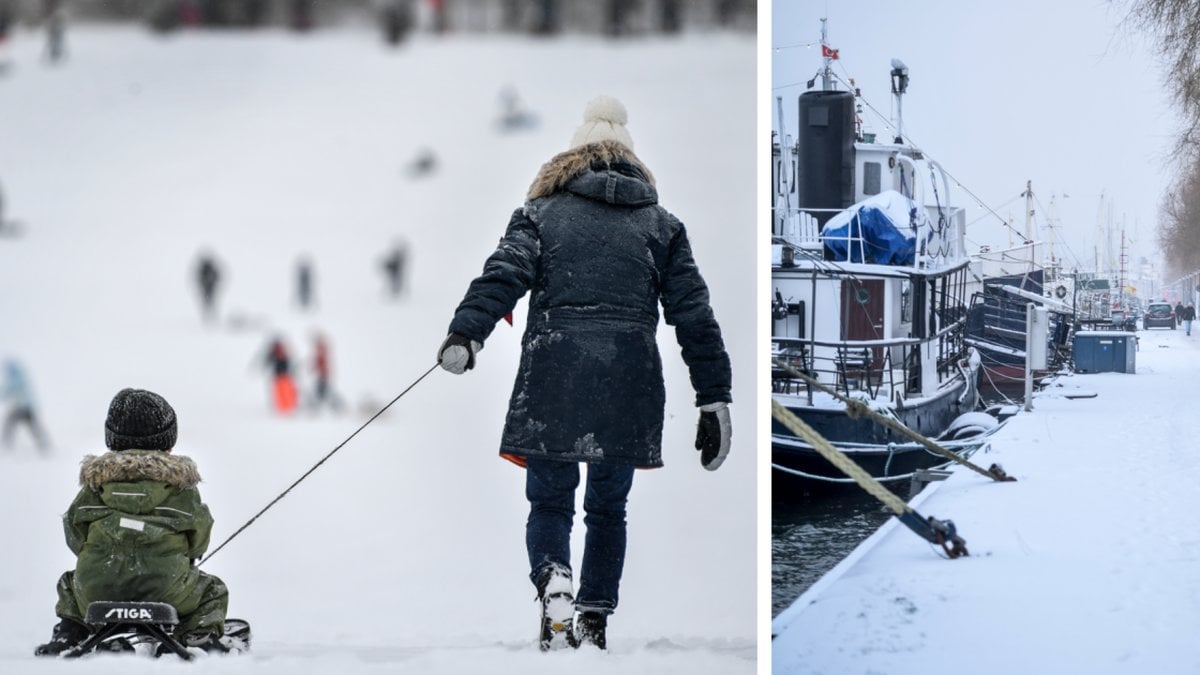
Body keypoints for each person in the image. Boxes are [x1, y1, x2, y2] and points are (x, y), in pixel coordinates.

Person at [437, 95, 732, 651]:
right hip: (629, 376)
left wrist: (467, 332)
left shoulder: (540, 214)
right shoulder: (661, 226)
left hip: (554, 369)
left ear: (573, 156)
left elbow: (505, 273)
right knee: (608, 507)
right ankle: (594, 618)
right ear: (632, 160)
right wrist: (713, 396)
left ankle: (554, 580)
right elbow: (694, 314)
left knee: (549, 502)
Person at [35, 388, 237, 656]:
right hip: (167, 590)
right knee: (213, 590)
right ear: (168, 444)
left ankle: (71, 631)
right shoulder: (180, 488)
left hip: (95, 591)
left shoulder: (95, 486)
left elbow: (75, 532)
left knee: (70, 584)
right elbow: (199, 536)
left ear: (112, 441)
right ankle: (198, 636)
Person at [2, 359, 49, 452]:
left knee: (11, 423)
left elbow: (8, 389)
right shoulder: (20, 376)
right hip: (26, 407)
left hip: (23, 408)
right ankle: (44, 445)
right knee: (33, 427)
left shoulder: (16, 378)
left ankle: (6, 444)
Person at [308, 332, 344, 412]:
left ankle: (335, 407)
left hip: (323, 375)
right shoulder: (321, 350)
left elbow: (321, 363)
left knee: (324, 393)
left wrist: (316, 369)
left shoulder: (321, 350)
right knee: (322, 392)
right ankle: (328, 407)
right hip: (322, 375)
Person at [262, 337, 298, 413]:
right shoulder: (277, 353)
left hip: (283, 376)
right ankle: (285, 406)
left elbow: (267, 362)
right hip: (282, 376)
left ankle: (287, 406)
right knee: (284, 392)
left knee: (285, 392)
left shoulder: (279, 353)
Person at [195, 252, 222, 323]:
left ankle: (212, 317)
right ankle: (207, 318)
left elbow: (217, 277)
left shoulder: (209, 269)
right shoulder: (204, 269)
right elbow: (198, 279)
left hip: (210, 288)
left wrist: (212, 282)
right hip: (206, 289)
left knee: (210, 302)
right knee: (207, 303)